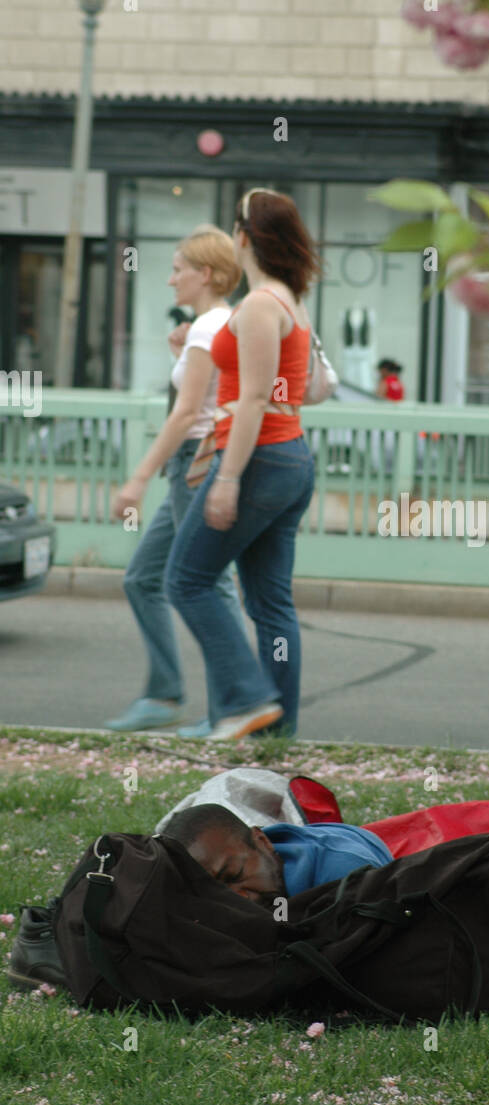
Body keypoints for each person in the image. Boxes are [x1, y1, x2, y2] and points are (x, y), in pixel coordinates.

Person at [163, 187, 320, 742]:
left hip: (257, 462)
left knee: (185, 579)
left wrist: (226, 476)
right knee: (271, 604)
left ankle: (246, 700)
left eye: (235, 226)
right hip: (291, 458)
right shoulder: (290, 301)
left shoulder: (257, 305)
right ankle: (276, 736)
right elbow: (315, 388)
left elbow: (253, 399)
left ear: (246, 237)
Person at [108, 226, 247, 738]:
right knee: (144, 578)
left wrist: (137, 479)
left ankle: (233, 708)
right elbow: (209, 397)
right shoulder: (212, 326)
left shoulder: (209, 329)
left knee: (210, 584)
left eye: (178, 269)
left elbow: (188, 412)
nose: (171, 281)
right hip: (194, 464)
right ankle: (165, 694)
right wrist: (179, 354)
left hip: (195, 461)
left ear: (205, 274)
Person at [161, 803, 392, 904]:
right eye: (215, 892)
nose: (237, 898)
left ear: (262, 841)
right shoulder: (246, 860)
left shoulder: (347, 875)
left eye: (235, 875)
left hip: (351, 840)